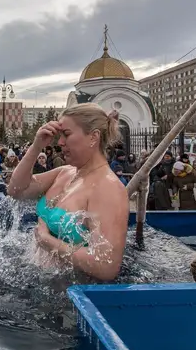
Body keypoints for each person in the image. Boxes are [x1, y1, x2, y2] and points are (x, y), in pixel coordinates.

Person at [8, 103, 128, 281]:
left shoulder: (107, 188)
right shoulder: (65, 173)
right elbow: (16, 190)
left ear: (93, 137)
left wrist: (47, 241)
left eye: (67, 134)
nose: (60, 142)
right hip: (34, 280)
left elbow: (106, 266)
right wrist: (36, 147)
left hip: (66, 295)